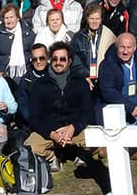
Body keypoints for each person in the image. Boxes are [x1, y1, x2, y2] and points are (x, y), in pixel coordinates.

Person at [25, 42, 94, 172]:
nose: (58, 62)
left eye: (62, 59)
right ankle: (52, 157)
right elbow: (34, 118)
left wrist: (73, 127)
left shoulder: (80, 83)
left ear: (69, 61)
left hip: (74, 129)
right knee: (30, 146)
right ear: (51, 61)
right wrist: (52, 134)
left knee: (98, 139)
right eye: (55, 59)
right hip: (51, 131)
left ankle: (82, 154)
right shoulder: (39, 85)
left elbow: (88, 112)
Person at [0, 4, 36, 79]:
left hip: (25, 73)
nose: (9, 20)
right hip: (4, 74)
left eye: (11, 17)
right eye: (6, 18)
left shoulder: (28, 33)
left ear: (17, 18)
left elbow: (35, 54)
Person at [72, 4, 117, 84]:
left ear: (101, 20)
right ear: (87, 19)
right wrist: (86, 74)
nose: (94, 21)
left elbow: (113, 59)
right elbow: (76, 62)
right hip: (84, 78)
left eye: (97, 19)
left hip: (104, 78)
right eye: (91, 18)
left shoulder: (108, 35)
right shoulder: (78, 38)